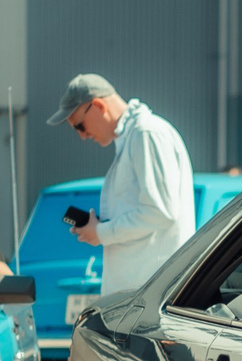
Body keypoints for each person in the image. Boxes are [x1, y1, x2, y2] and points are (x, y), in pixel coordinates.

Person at [51, 72, 195, 296]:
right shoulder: (136, 137)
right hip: (143, 295)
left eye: (79, 126)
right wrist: (100, 229)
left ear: (98, 106)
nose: (82, 136)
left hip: (151, 295)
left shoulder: (146, 133)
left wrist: (102, 231)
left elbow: (160, 212)